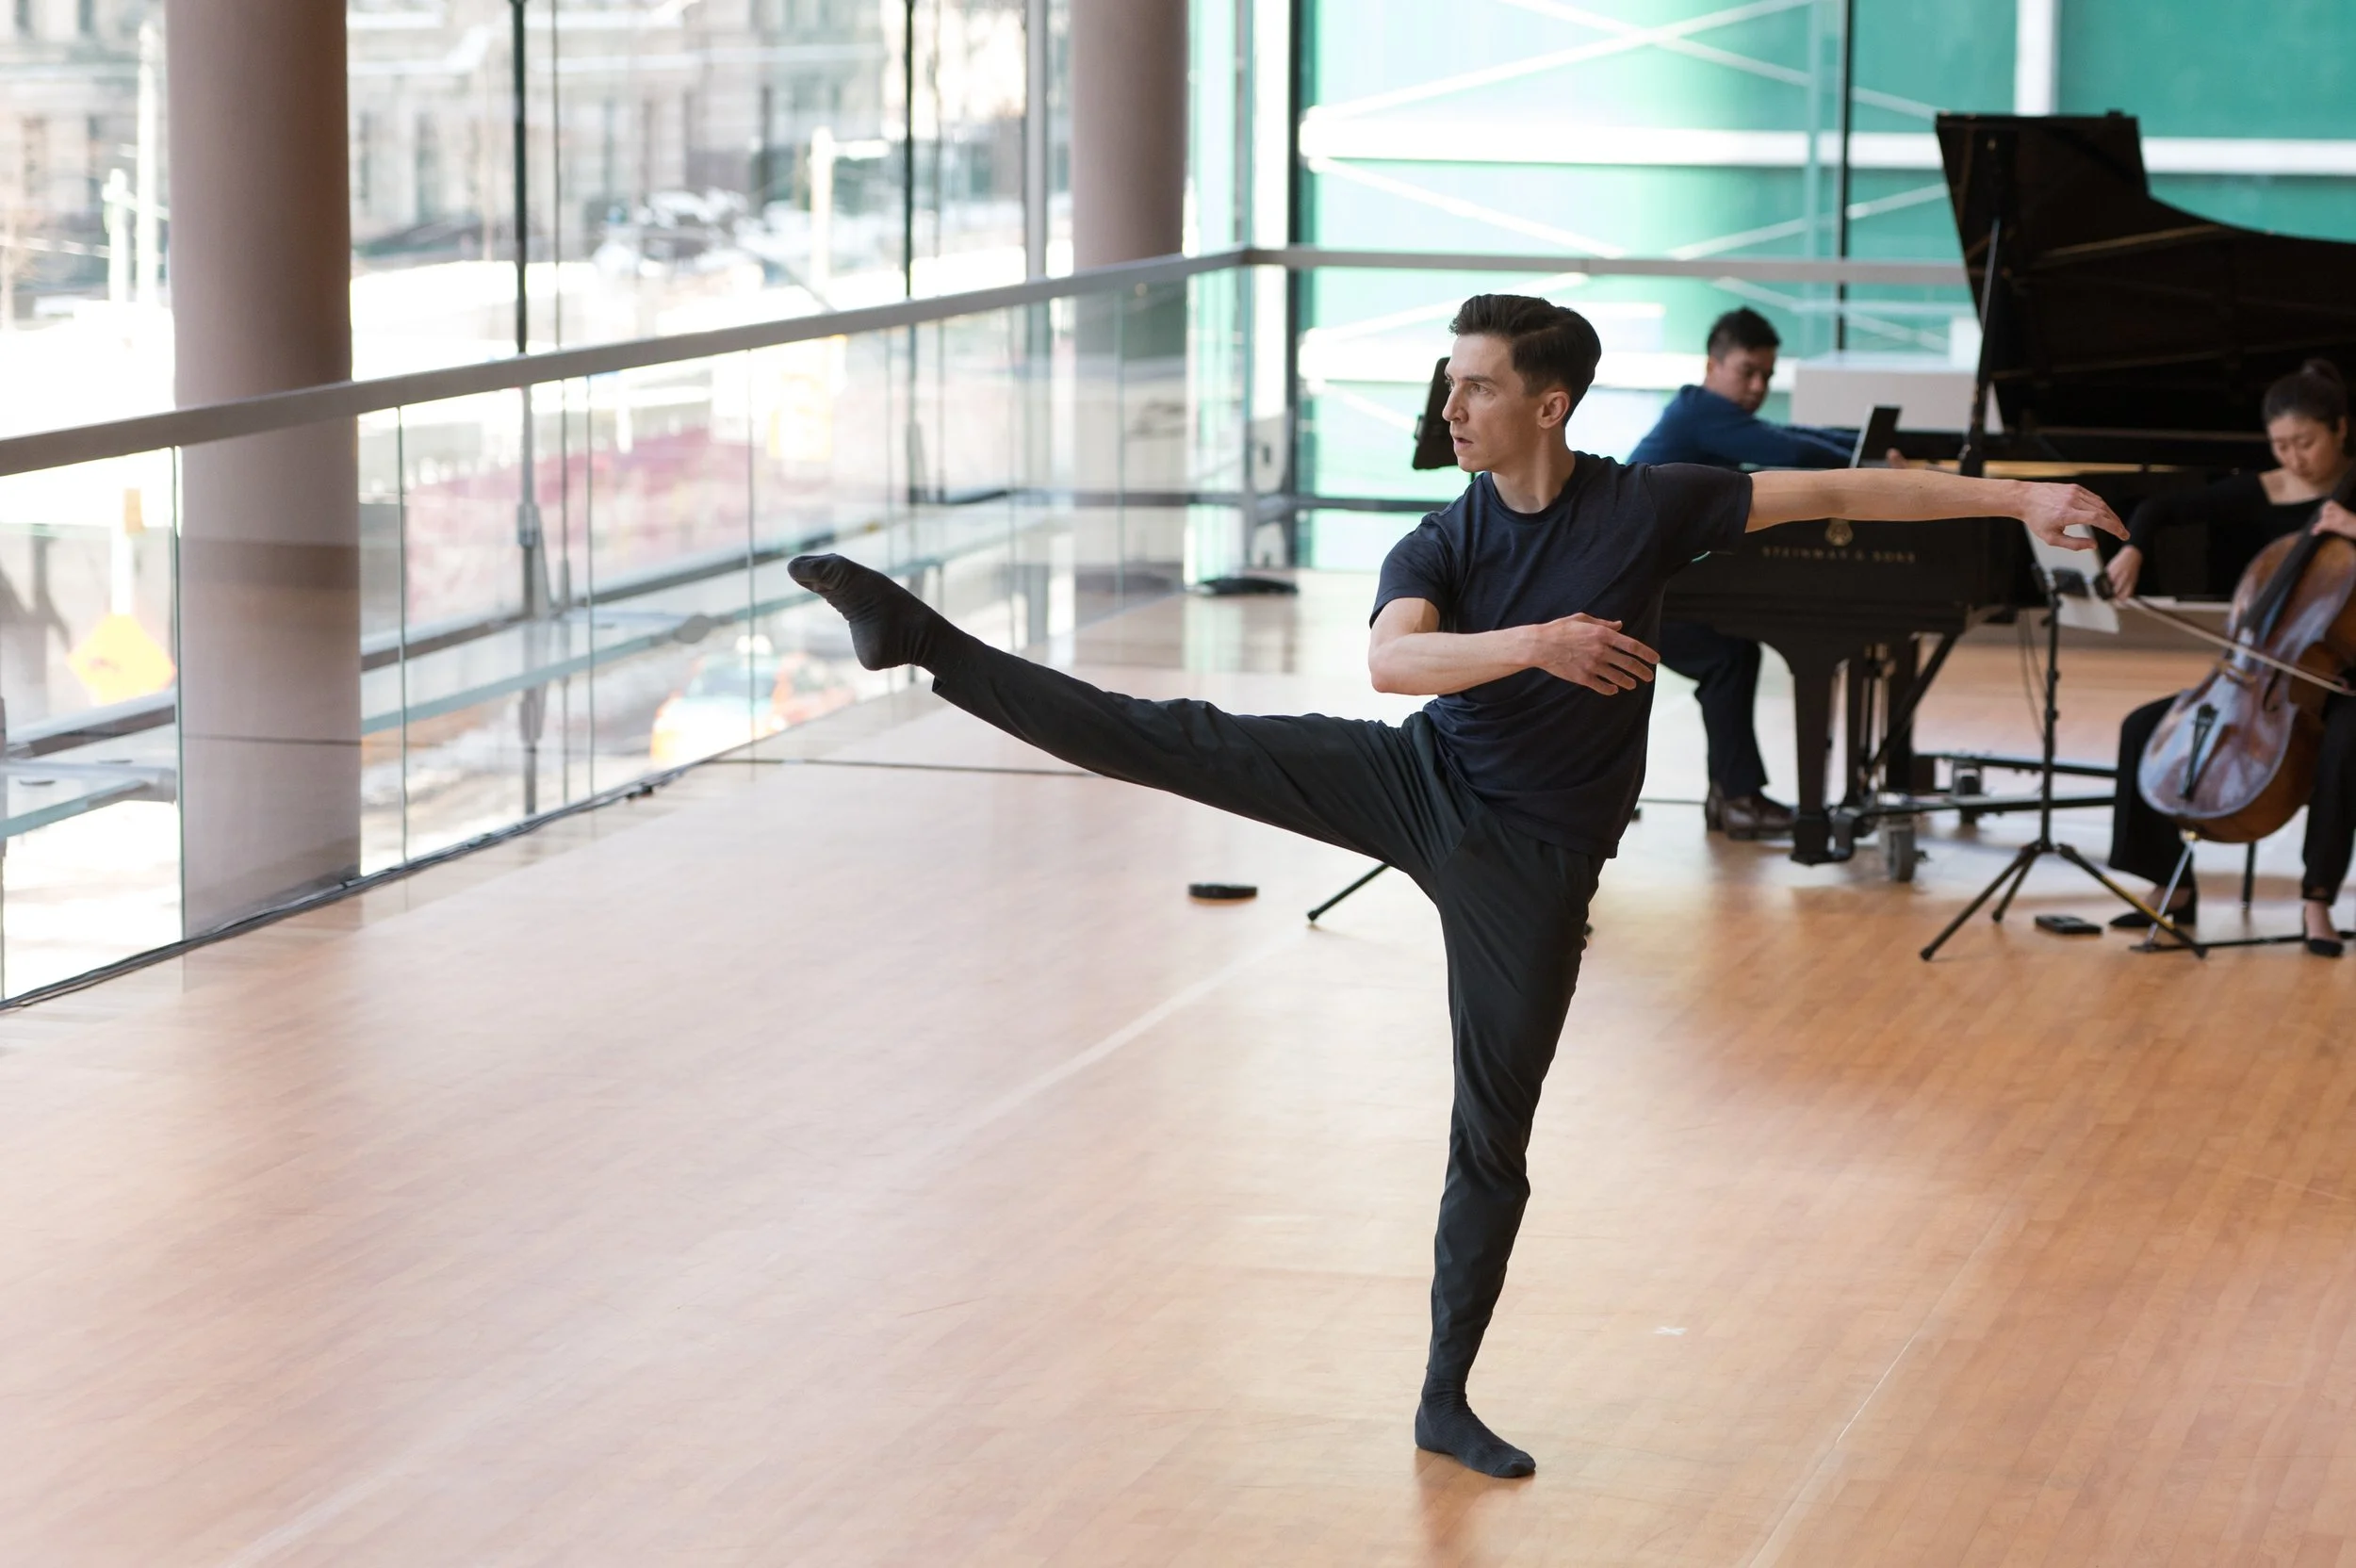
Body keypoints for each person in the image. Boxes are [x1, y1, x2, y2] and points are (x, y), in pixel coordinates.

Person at [788, 294, 2122, 1478]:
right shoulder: (1444, 536)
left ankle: (1443, 1400)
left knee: (1491, 1136)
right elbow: (1391, 665)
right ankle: (924, 640)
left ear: (1548, 403)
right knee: (1174, 737)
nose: (1451, 406)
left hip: (1533, 862)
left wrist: (2021, 501)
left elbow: (1843, 492)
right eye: (1449, 383)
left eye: (1476, 385)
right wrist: (1537, 644)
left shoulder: (1647, 505)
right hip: (1418, 777)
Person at [2104, 358, 2356, 957]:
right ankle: (2171, 885)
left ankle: (2317, 898)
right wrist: (2133, 547)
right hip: (2266, 672)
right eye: (2280, 445)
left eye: (2305, 443)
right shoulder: (2269, 489)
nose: (2293, 458)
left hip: (2346, 678)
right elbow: (2161, 508)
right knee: (2142, 728)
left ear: (2341, 429)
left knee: (2346, 748)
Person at [1629, 308, 1855, 840]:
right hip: (1622, 591)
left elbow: (1786, 432)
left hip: (1646, 581)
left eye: (1767, 376)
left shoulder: (1705, 413)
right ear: (1713, 365)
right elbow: (1787, 449)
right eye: (1747, 372)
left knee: (1729, 655)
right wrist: (1869, 462)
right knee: (1727, 657)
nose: (1758, 387)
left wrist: (1859, 445)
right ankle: (1737, 799)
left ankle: (1730, 797)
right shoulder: (1701, 413)